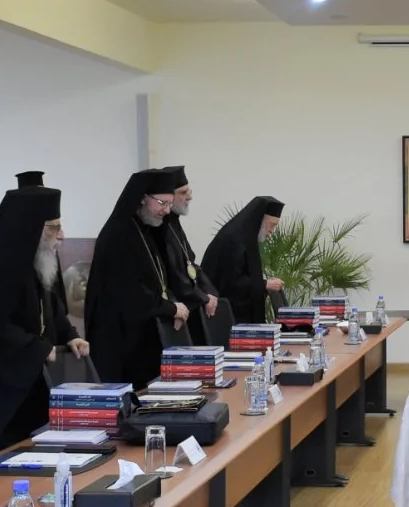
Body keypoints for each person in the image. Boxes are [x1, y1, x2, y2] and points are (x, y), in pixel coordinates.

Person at [0, 184, 90, 453]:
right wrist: (35, 348)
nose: (62, 236)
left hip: (29, 386)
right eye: (54, 228)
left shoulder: (33, 259)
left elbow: (49, 308)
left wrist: (69, 335)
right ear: (30, 227)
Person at [84, 168, 187, 388]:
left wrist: (171, 304)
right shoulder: (119, 234)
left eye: (170, 204)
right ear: (142, 198)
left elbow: (158, 281)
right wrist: (169, 308)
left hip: (141, 336)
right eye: (162, 203)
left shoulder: (145, 230)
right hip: (119, 339)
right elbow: (129, 291)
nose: (167, 211)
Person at [158, 166, 221, 344]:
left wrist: (210, 292)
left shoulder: (175, 224)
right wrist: (202, 297)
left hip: (189, 305)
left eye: (189, 191)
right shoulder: (160, 228)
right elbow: (173, 273)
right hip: (177, 310)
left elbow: (190, 264)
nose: (189, 197)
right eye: (183, 192)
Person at [202, 196, 284, 325]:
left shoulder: (247, 238)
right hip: (228, 319)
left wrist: (262, 284)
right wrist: (264, 285)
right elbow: (230, 283)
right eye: (272, 225)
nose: (272, 231)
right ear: (259, 220)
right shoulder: (233, 240)